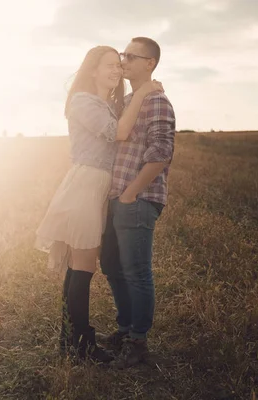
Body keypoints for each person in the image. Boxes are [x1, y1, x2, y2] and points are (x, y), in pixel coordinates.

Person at [35, 45, 163, 363]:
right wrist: (145, 88)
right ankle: (81, 344)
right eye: (108, 64)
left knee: (80, 266)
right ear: (91, 69)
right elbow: (119, 133)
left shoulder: (107, 103)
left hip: (98, 187)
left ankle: (72, 339)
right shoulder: (83, 102)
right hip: (86, 185)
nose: (116, 70)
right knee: (83, 267)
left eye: (118, 66)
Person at [98, 37, 176, 369]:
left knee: (136, 271)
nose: (123, 60)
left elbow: (161, 154)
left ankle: (138, 342)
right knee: (112, 266)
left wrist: (131, 192)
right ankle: (126, 328)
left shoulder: (156, 101)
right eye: (123, 54)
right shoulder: (130, 100)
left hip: (138, 199)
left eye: (132, 56)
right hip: (118, 198)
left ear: (150, 63)